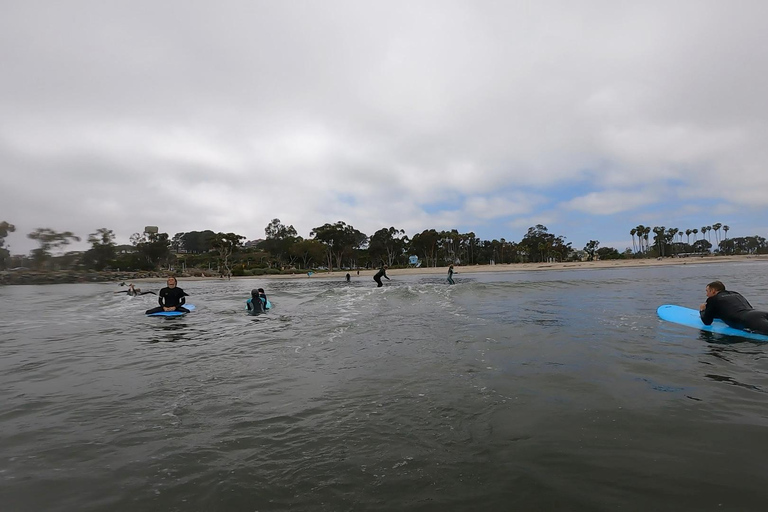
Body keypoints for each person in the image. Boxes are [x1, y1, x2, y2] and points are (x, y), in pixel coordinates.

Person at [699, 280, 768, 335]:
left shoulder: (713, 299)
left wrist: (702, 310)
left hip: (748, 320)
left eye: (707, 291)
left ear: (713, 290)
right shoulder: (736, 294)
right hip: (758, 313)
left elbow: (707, 322)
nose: (707, 294)